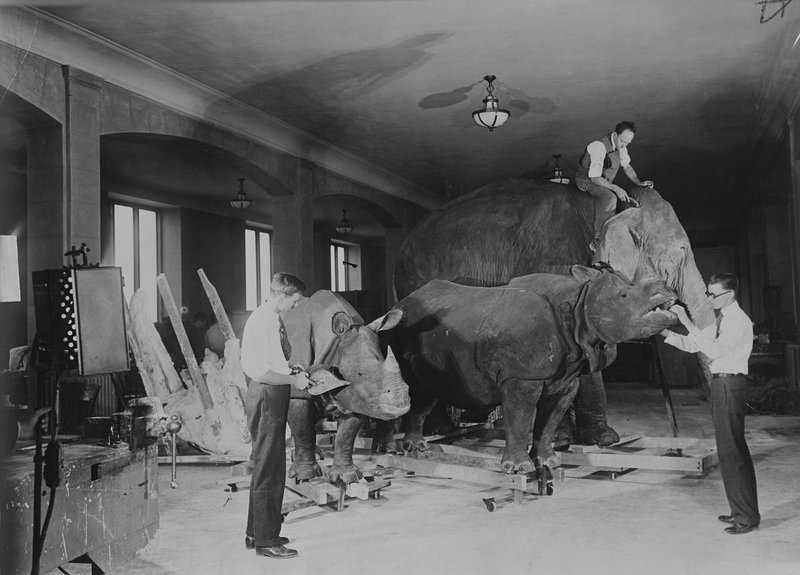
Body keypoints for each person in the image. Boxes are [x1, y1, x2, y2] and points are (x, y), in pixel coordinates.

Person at [661, 273, 759, 535]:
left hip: (729, 385)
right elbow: (694, 344)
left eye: (713, 294)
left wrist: (685, 320)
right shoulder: (721, 320)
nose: (709, 299)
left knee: (732, 451)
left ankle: (746, 517)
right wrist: (664, 332)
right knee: (729, 451)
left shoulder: (738, 321)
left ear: (730, 295)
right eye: (708, 293)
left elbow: (715, 352)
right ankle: (741, 510)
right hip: (721, 385)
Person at [240, 273, 312, 559]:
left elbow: (272, 362)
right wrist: (295, 382)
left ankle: (255, 532)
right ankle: (266, 541)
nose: (296, 306)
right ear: (283, 295)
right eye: (295, 300)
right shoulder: (262, 321)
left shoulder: (270, 318)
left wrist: (289, 368)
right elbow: (260, 372)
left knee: (267, 465)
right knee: (269, 468)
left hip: (272, 394)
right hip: (267, 395)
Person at [574, 121, 654, 251]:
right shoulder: (598, 146)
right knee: (610, 198)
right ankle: (597, 239)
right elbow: (594, 178)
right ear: (615, 135)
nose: (624, 145)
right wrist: (616, 189)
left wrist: (638, 182)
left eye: (628, 143)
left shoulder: (621, 146)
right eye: (623, 141)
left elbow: (627, 166)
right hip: (587, 180)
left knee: (623, 197)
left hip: (603, 181)